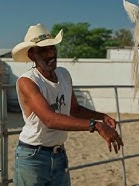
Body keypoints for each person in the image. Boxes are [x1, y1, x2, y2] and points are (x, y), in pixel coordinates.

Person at [12, 23, 124, 186]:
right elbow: (50, 119)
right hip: (33, 156)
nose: (50, 53)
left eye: (52, 48)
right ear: (31, 56)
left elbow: (74, 109)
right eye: (43, 50)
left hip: (59, 154)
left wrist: (101, 116)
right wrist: (96, 125)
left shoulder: (64, 74)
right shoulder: (27, 81)